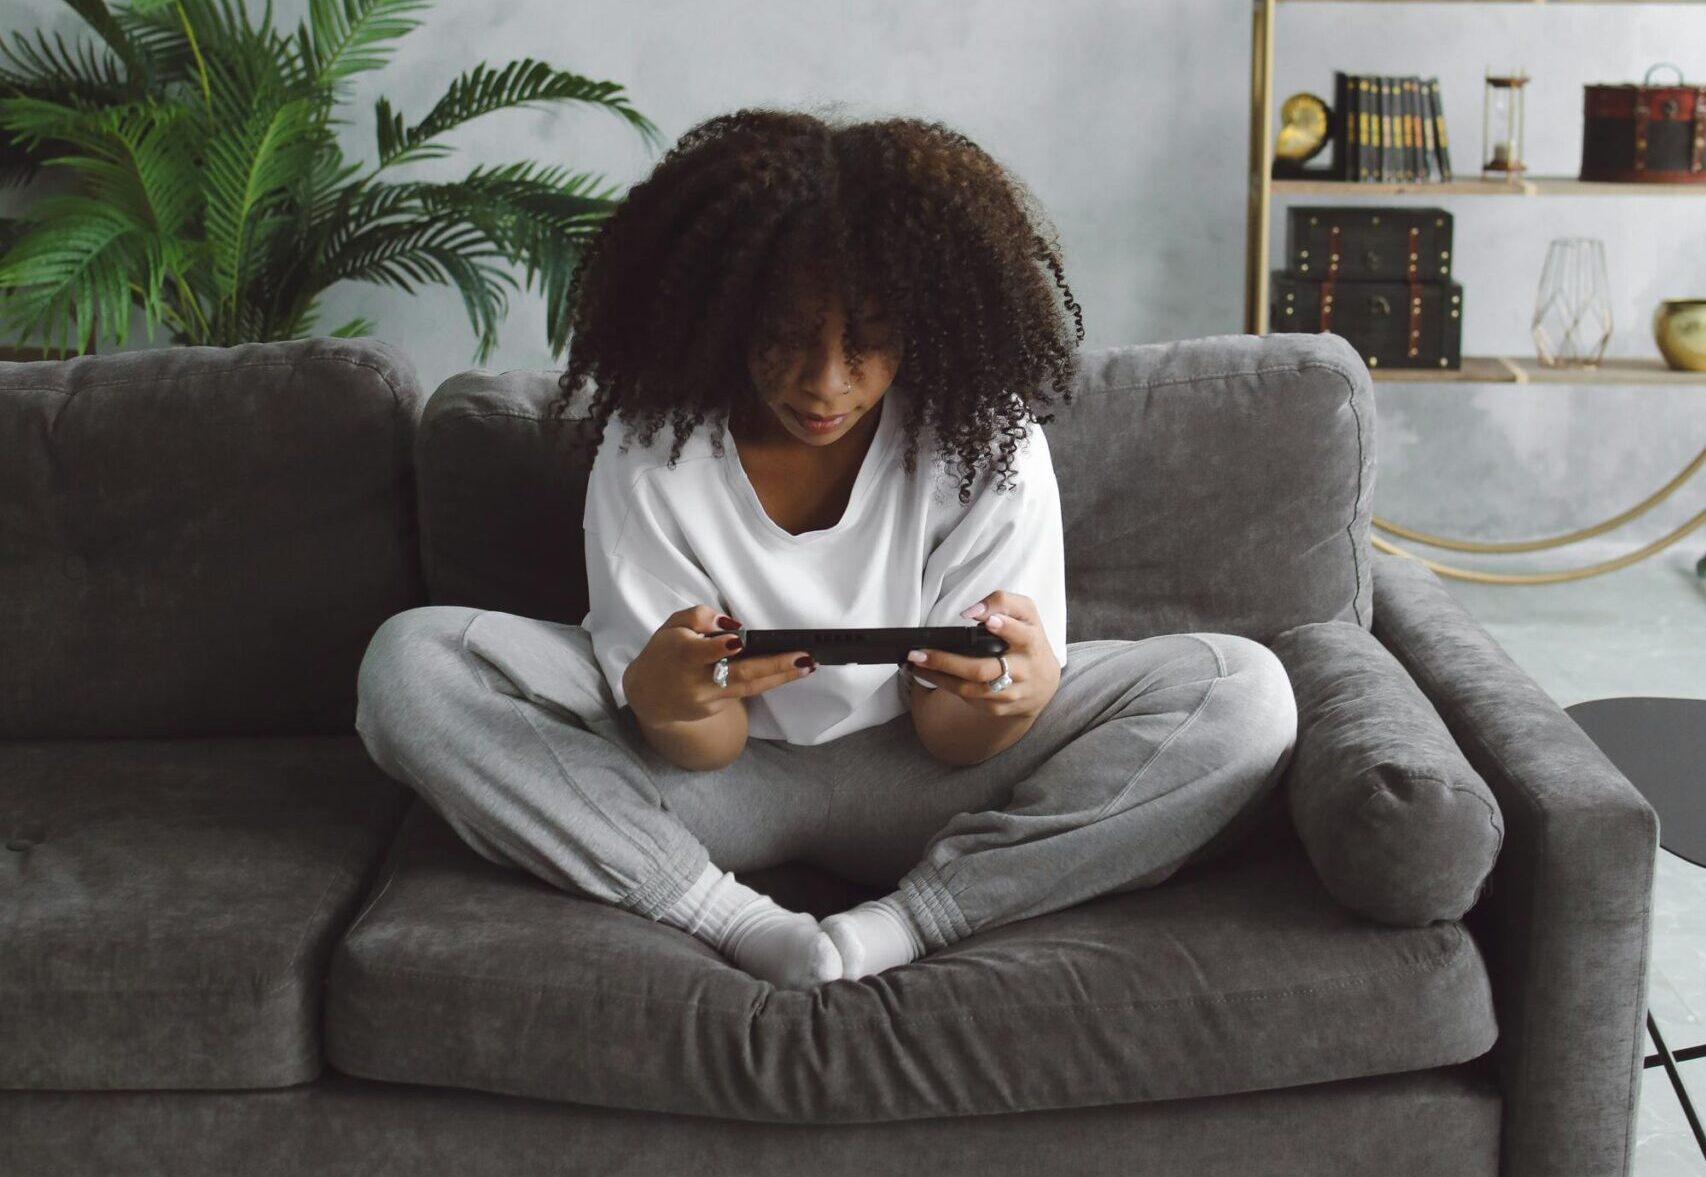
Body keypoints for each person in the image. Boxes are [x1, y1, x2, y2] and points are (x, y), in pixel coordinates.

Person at [355, 108, 1298, 992]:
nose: (825, 381)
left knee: (1243, 693)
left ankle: (911, 923)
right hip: (712, 788)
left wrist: (1014, 697)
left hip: (934, 782)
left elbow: (952, 736)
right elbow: (704, 746)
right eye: (786, 337)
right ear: (726, 318)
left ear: (923, 326)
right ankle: (718, 914)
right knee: (414, 662)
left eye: (870, 343)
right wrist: (672, 701)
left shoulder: (987, 443)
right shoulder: (655, 444)